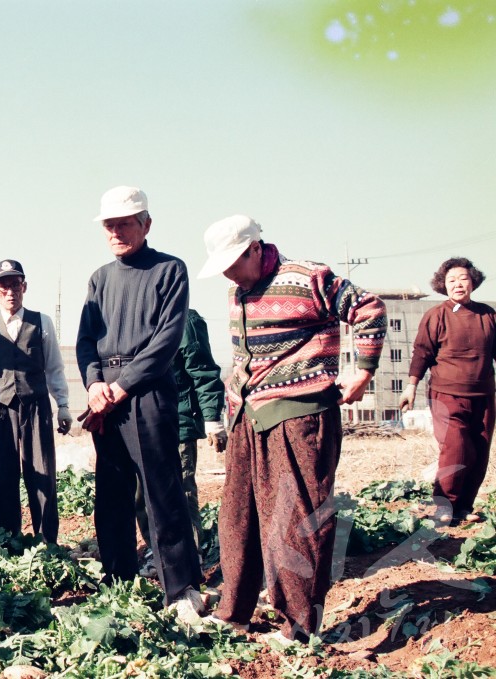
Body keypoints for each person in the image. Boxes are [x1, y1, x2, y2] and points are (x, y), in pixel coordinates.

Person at [197, 215, 387, 644]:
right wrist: (230, 415)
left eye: (232, 262)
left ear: (254, 249)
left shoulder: (307, 278)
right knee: (237, 518)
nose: (227, 272)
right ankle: (234, 613)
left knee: (296, 520)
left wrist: (364, 370)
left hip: (301, 415)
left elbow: (369, 308)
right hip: (249, 416)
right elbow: (244, 358)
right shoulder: (236, 291)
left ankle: (297, 627)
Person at [75, 186, 205, 624]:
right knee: (110, 493)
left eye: (123, 224)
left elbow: (166, 341)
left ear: (146, 224)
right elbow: (85, 340)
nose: (115, 232)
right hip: (105, 395)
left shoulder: (170, 270)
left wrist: (123, 386)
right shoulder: (99, 278)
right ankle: (117, 582)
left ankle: (182, 588)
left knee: (160, 492)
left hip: (147, 390)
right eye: (109, 226)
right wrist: (95, 384)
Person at [399, 257, 495, 525]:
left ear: (473, 281)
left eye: (463, 278)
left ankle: (464, 507)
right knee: (455, 448)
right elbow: (422, 354)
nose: (458, 284)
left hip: (484, 396)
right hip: (447, 394)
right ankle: (444, 506)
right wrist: (411, 387)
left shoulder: (488, 315)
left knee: (478, 450)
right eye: (451, 280)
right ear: (443, 285)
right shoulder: (436, 315)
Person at [0, 259, 72, 544]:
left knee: (42, 471)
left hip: (35, 405)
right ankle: (4, 539)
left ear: (24, 286)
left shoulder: (41, 321)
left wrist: (63, 405)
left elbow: (55, 367)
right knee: (2, 473)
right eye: (4, 285)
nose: (10, 291)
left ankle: (47, 539)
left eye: (15, 284)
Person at [136, 308, 226, 575]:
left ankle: (189, 553)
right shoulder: (138, 319)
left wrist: (213, 419)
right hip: (145, 421)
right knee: (143, 491)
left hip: (179, 421)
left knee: (181, 488)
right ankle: (157, 549)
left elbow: (203, 371)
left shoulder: (185, 320)